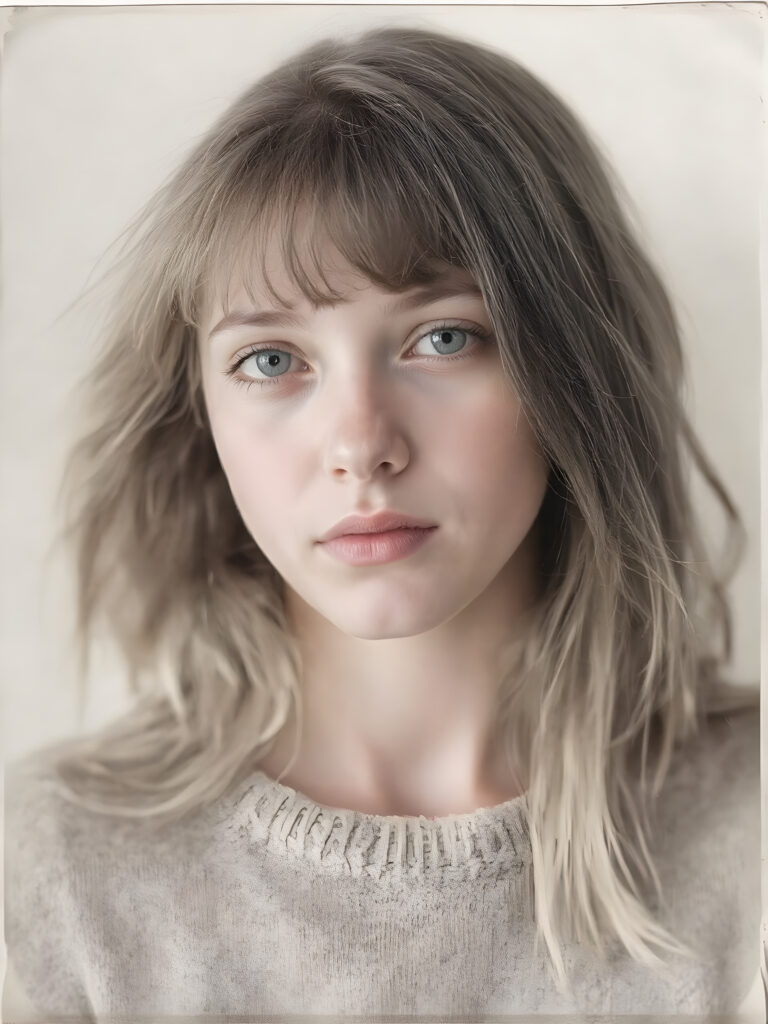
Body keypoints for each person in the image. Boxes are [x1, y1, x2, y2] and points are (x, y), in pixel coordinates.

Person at [3, 24, 760, 1018]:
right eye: (271, 359)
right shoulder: (51, 869)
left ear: (573, 370)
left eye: (443, 337)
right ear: (200, 423)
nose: (360, 445)